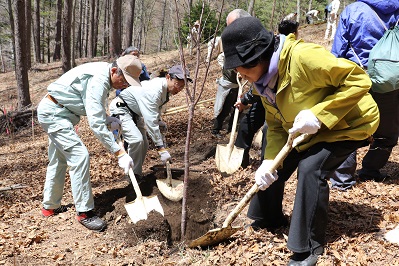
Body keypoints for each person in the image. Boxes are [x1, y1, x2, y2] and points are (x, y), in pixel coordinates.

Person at [221, 16, 379, 265]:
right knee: (272, 165)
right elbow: (274, 126)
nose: (243, 76)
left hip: (349, 122)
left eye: (244, 69)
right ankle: (268, 217)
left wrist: (319, 114)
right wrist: (269, 162)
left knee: (311, 168)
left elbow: (359, 80)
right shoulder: (263, 81)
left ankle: (308, 247)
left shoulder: (304, 57)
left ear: (260, 56)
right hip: (308, 129)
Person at [37, 55, 141, 231]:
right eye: (124, 80)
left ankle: (50, 206)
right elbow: (95, 124)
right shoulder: (99, 80)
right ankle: (85, 212)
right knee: (79, 156)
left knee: (58, 159)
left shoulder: (104, 74)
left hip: (59, 112)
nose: (125, 85)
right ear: (115, 71)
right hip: (54, 113)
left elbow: (91, 106)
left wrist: (107, 118)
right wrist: (120, 153)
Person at [331, 0, 399, 183]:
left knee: (349, 127)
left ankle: (342, 179)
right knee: (387, 133)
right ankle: (370, 170)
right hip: (390, 81)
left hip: (356, 77)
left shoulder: (353, 10)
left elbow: (338, 50)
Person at [109, 65, 191, 178]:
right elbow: (150, 121)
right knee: (136, 140)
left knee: (144, 144)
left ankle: (137, 173)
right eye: (177, 84)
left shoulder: (164, 88)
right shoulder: (154, 90)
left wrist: (159, 121)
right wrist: (161, 149)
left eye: (182, 86)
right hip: (122, 108)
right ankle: (132, 177)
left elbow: (154, 110)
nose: (179, 89)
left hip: (135, 112)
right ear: (168, 77)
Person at [212, 52, 239, 138]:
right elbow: (220, 56)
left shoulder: (238, 57)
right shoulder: (227, 59)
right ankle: (215, 130)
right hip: (227, 88)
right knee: (224, 110)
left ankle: (231, 128)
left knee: (236, 108)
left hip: (235, 87)